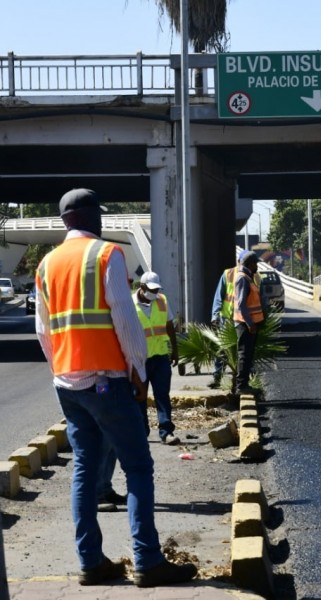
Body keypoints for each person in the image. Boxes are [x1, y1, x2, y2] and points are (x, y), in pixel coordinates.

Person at [34, 188, 197, 587]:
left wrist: (63, 372)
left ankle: (91, 563)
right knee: (138, 466)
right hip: (108, 380)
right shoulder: (106, 255)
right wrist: (137, 373)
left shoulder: (46, 264)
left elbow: (43, 331)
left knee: (85, 470)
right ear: (94, 218)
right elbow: (126, 323)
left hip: (69, 384)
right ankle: (148, 561)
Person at [133, 271, 181, 445]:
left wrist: (175, 350)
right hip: (139, 359)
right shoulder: (130, 304)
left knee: (162, 396)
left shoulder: (162, 300)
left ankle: (166, 432)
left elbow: (169, 326)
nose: (154, 293)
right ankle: (141, 432)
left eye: (156, 289)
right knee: (139, 397)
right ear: (142, 287)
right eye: (150, 289)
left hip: (160, 357)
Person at [233, 251, 264, 395]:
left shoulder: (248, 277)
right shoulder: (243, 278)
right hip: (245, 324)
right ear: (250, 264)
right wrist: (250, 323)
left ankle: (244, 385)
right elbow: (241, 305)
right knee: (244, 355)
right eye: (255, 263)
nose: (256, 265)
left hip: (249, 324)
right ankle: (241, 386)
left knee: (247, 354)